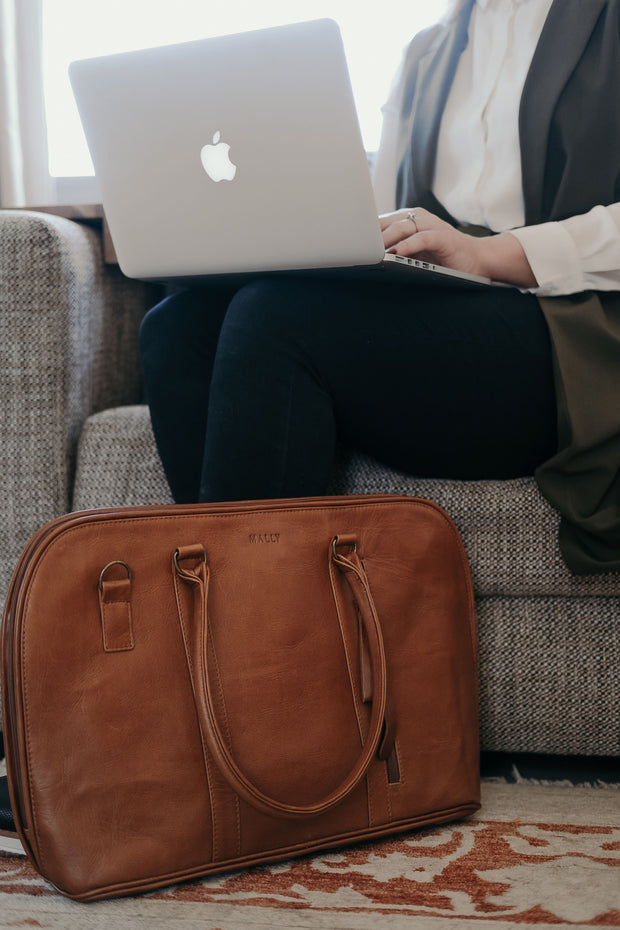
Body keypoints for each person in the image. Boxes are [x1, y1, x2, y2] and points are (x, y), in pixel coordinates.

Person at [140, 0, 620, 574]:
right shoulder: (430, 51)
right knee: (178, 326)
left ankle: (255, 645)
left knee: (278, 320)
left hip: (577, 331)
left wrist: (491, 254)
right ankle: (224, 629)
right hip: (454, 314)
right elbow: (377, 212)